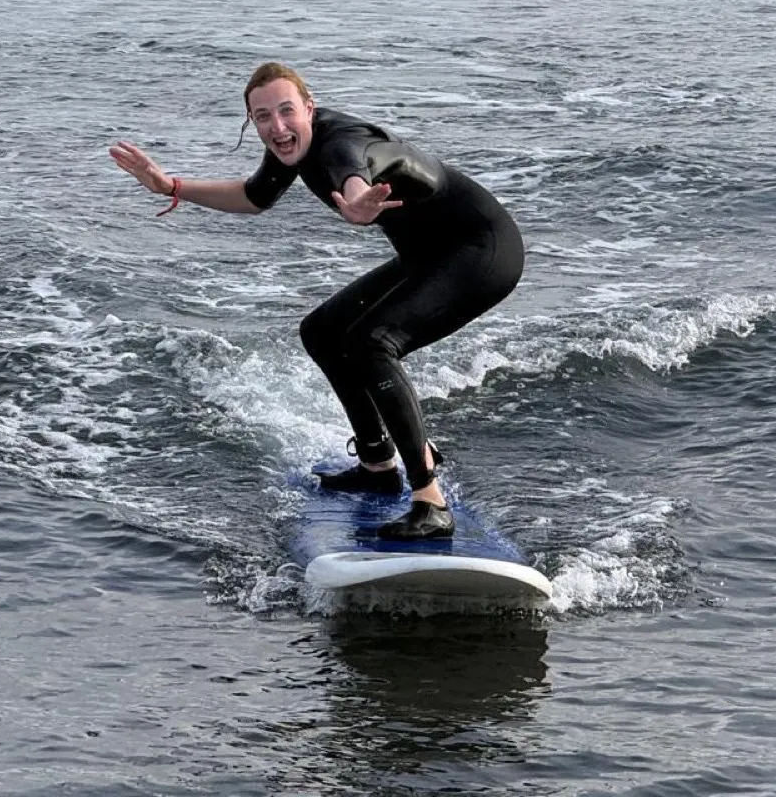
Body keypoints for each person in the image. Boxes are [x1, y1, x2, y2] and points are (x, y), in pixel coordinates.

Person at [109, 63, 525, 540]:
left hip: (481, 250)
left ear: (310, 106)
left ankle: (429, 499)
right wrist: (172, 187)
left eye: (287, 111)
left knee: (373, 343)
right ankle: (377, 464)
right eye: (262, 117)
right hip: (430, 255)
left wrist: (358, 200)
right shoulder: (291, 148)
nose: (277, 127)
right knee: (323, 331)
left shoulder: (337, 143)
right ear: (251, 122)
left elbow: (355, 166)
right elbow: (254, 196)